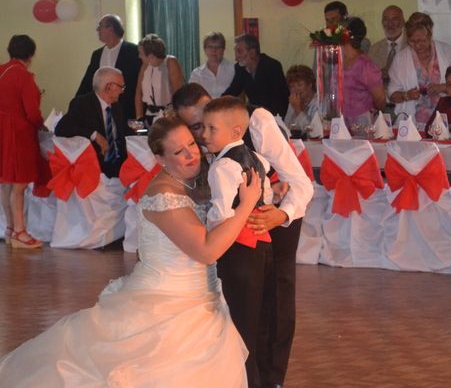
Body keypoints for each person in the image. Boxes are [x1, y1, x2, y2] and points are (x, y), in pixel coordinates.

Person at [0, 116, 262, 387]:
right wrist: (247, 205)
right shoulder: (164, 196)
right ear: (160, 160)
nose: (191, 154)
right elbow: (207, 251)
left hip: (198, 297)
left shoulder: (193, 180)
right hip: (170, 305)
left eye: (191, 144)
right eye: (178, 151)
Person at [172, 83, 312, 388]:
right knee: (246, 309)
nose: (201, 135)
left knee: (277, 302)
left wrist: (280, 214)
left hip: (278, 217)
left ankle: (272, 379)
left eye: (204, 125)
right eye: (194, 127)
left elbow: (300, 183)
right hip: (238, 231)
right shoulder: (207, 142)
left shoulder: (258, 120)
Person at [203, 96, 273, 388]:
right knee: (255, 321)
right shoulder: (259, 160)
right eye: (203, 128)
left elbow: (220, 215)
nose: (204, 135)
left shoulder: (222, 168)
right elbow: (267, 198)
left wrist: (203, 234)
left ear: (235, 132)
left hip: (237, 251)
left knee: (238, 324)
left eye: (211, 129)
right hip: (262, 245)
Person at [0, 35, 45, 249]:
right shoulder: (23, 76)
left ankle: (9, 228)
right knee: (19, 185)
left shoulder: (2, 70)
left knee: (6, 183)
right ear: (31, 54)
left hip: (2, 131)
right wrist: (41, 125)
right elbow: (32, 112)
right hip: (17, 133)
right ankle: (20, 232)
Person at [56, 67, 131, 178]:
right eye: (121, 87)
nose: (122, 91)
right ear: (109, 87)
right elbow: (62, 128)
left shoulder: (117, 106)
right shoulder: (82, 103)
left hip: (121, 165)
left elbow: (122, 134)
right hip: (96, 167)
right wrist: (94, 135)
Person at [388, 16, 451, 127]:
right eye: (412, 41)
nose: (417, 45)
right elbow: (392, 94)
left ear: (430, 35)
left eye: (422, 41)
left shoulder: (447, 52)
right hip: (413, 124)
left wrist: (443, 87)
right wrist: (406, 95)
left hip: (446, 121)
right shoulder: (400, 58)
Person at [76, 14, 142, 120]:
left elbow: (138, 83)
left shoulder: (133, 51)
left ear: (110, 28)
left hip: (126, 110)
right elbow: (88, 81)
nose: (97, 30)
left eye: (100, 26)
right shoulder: (97, 54)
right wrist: (76, 104)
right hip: (100, 111)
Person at [222, 34, 289, 117]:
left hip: (276, 116)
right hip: (255, 115)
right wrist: (217, 103)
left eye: (239, 51)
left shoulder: (272, 66)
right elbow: (233, 91)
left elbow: (280, 98)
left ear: (252, 53)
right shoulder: (240, 68)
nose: (236, 57)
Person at [341, 17, 386, 126]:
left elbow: (380, 100)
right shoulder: (337, 61)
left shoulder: (365, 65)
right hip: (341, 120)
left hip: (362, 122)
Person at [135, 33, 185, 125]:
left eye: (141, 54)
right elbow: (138, 92)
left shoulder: (170, 62)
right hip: (148, 115)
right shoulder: (145, 66)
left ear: (150, 55)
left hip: (169, 117)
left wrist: (171, 115)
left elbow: (178, 94)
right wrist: (139, 117)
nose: (139, 56)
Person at [189, 31, 236, 98]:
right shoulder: (196, 73)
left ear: (223, 49)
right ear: (205, 49)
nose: (214, 50)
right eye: (210, 47)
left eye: (218, 47)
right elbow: (192, 97)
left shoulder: (234, 69)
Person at [368, 5, 407, 83]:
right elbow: (368, 78)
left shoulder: (412, 45)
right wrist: (379, 75)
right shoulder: (374, 49)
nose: (390, 24)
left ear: (403, 22)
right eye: (386, 19)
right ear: (382, 23)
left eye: (394, 19)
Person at [284, 64, 318, 136]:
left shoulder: (318, 103)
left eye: (299, 85)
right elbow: (286, 128)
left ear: (310, 84)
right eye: (292, 86)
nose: (296, 89)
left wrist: (298, 110)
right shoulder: (293, 102)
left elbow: (313, 133)